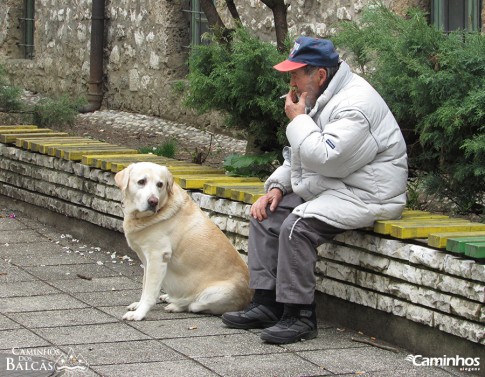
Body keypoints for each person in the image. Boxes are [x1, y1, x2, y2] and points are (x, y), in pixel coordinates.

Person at [221, 36, 408, 344]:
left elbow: (325, 158)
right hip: (336, 184)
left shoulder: (355, 105)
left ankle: (300, 316)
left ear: (319, 75)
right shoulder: (324, 94)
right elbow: (302, 155)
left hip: (367, 193)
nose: (290, 80)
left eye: (296, 73)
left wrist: (297, 120)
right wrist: (280, 186)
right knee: (266, 214)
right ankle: (268, 304)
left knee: (297, 227)